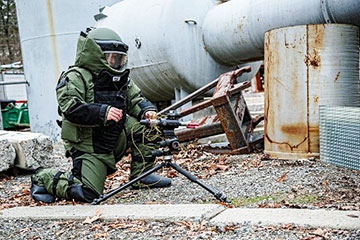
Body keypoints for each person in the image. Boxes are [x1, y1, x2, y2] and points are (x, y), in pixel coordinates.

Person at [30, 27, 171, 203]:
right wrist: (103, 112)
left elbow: (135, 99)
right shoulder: (75, 77)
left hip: (115, 137)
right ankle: (42, 177)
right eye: (108, 57)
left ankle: (142, 175)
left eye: (117, 58)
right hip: (89, 145)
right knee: (88, 193)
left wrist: (147, 111)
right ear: (93, 55)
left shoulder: (121, 79)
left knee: (149, 127)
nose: (113, 62)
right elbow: (71, 108)